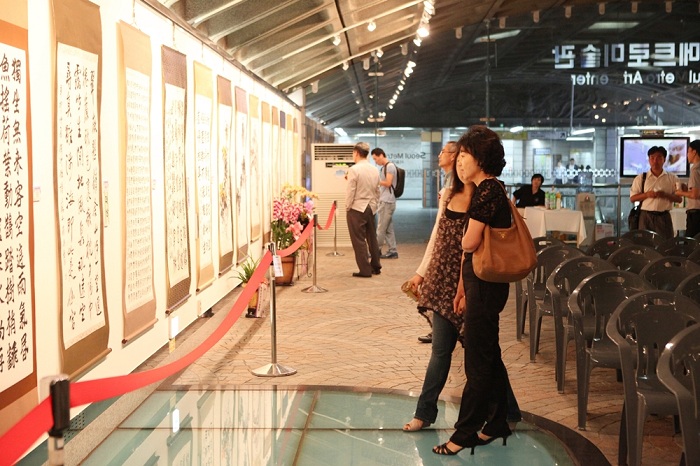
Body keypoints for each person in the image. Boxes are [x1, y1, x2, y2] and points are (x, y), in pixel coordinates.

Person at [433, 125, 514, 456]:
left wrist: (468, 281)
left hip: (486, 286)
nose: (459, 161)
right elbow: (472, 253)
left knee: (476, 364)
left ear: (480, 158)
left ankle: (464, 433)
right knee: (489, 356)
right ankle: (497, 423)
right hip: (478, 283)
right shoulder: (489, 189)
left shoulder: (487, 191)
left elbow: (469, 242)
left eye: (464, 155)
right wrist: (463, 287)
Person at [417, 141, 459, 344]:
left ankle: (444, 333)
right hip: (441, 243)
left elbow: (444, 224)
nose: (439, 155)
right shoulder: (449, 178)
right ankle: (443, 332)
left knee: (437, 291)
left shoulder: (456, 183)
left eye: (442, 152)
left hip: (446, 247)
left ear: (453, 155)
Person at [630, 145, 682, 239]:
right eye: (652, 158)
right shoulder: (641, 178)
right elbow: (633, 198)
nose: (655, 161)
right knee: (645, 244)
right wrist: (647, 195)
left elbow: (679, 199)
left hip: (664, 216)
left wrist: (665, 195)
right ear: (649, 159)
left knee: (665, 244)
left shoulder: (672, 178)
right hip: (645, 216)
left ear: (664, 159)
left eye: (659, 158)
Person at [345, 142, 382, 277]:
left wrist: (347, 206)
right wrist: (375, 205)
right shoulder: (374, 169)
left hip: (357, 208)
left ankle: (365, 270)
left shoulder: (354, 169)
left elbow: (351, 191)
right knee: (372, 237)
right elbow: (377, 190)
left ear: (356, 153)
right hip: (371, 207)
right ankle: (376, 266)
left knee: (358, 239)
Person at [371, 148, 399, 259]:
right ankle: (393, 251)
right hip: (386, 200)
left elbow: (388, 183)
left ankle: (376, 250)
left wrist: (375, 181)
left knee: (381, 228)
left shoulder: (390, 166)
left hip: (387, 201)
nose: (375, 161)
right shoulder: (385, 167)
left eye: (375, 158)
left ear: (381, 155)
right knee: (388, 228)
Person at [675, 140, 700, 237]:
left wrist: (680, 193)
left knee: (692, 245)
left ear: (694, 152)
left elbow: (695, 194)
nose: (687, 154)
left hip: (696, 214)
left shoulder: (695, 170)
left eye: (688, 151)